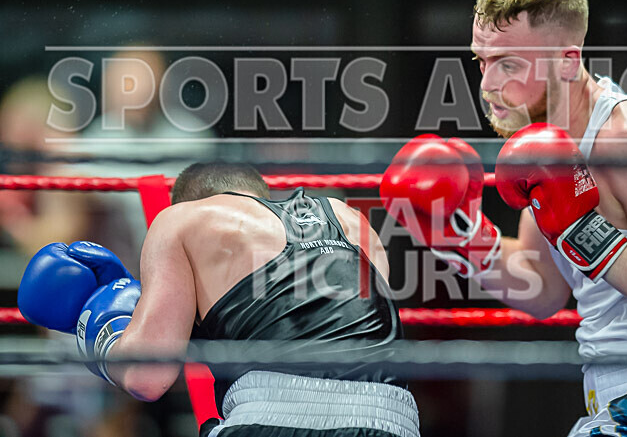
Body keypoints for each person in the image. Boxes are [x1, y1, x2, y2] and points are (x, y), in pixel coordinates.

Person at [381, 0, 627, 436]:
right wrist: (455, 233)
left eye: (508, 64)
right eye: (482, 61)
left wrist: (580, 228)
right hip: (620, 405)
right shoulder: (547, 152)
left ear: (568, 61)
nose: (487, 85)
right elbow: (543, 289)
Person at [18, 162, 420, 437]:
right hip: (393, 419)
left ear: (190, 201)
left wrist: (103, 327)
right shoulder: (348, 217)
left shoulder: (183, 219)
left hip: (271, 415)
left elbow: (147, 376)